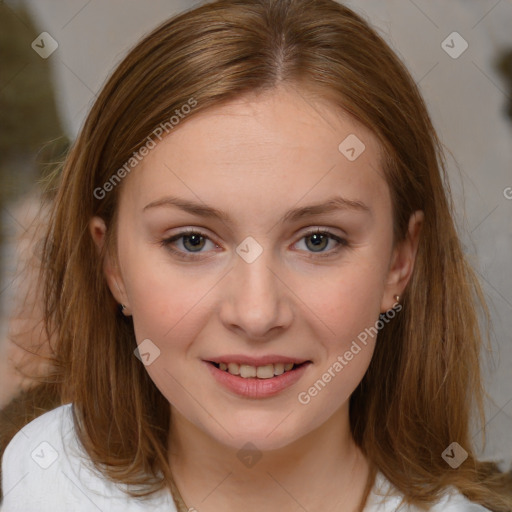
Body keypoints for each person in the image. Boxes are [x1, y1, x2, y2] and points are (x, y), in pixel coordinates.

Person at [1, 0, 511, 510]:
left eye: (318, 240)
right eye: (192, 241)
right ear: (112, 266)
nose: (256, 313)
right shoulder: (47, 479)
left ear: (399, 263)